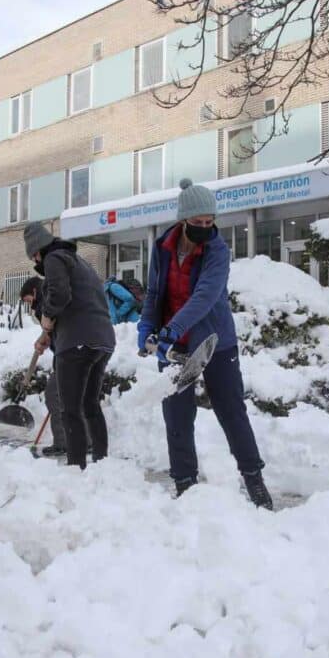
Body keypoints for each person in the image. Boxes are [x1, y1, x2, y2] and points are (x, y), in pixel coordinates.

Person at [137, 178, 273, 509]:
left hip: (214, 342)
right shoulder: (163, 247)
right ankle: (185, 485)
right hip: (174, 347)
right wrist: (147, 327)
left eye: (209, 222)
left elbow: (205, 297)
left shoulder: (217, 251)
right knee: (177, 417)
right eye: (197, 223)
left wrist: (171, 328)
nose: (204, 228)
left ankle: (254, 479)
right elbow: (155, 292)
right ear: (183, 220)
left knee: (231, 412)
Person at [23, 223, 115, 469]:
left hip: (76, 342)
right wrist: (48, 333)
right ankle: (102, 464)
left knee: (70, 409)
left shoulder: (54, 258)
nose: (35, 261)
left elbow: (60, 297)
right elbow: (80, 304)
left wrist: (46, 317)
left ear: (38, 251)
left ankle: (76, 468)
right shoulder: (79, 261)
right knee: (89, 404)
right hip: (102, 340)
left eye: (33, 256)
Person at [20, 276, 65, 456]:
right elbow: (53, 327)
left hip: (66, 353)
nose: (29, 305)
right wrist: (44, 338)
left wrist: (44, 338)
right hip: (72, 350)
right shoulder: (53, 300)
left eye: (27, 300)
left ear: (35, 292)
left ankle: (63, 443)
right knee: (75, 398)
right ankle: (86, 441)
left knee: (54, 395)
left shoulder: (43, 304)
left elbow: (52, 326)